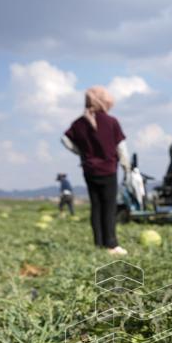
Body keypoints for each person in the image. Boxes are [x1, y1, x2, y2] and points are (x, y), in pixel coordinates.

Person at [63, 86, 130, 256]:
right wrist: (126, 167)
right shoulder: (111, 121)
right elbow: (121, 148)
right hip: (108, 169)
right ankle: (111, 244)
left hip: (89, 169)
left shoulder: (79, 123)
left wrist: (82, 152)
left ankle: (99, 243)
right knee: (109, 206)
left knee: (96, 206)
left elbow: (65, 140)